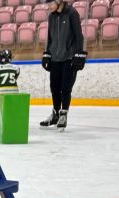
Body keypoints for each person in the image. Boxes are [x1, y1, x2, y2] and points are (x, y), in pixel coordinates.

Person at [40, 0, 86, 129]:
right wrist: (47, 54)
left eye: (50, 3)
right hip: (55, 57)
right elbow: (50, 37)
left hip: (69, 57)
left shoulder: (71, 13)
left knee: (65, 88)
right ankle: (55, 114)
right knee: (54, 88)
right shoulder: (51, 16)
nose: (48, 6)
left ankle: (63, 114)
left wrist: (79, 54)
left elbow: (78, 35)